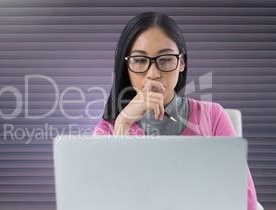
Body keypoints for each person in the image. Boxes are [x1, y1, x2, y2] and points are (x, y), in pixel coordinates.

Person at [94, 12, 257, 210]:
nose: (153, 74)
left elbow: (245, 202)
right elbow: (103, 202)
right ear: (126, 66)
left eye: (165, 59)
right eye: (139, 60)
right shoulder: (108, 129)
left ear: (181, 63)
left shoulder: (213, 116)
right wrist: (123, 124)